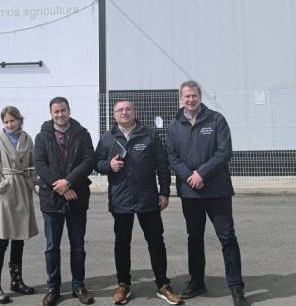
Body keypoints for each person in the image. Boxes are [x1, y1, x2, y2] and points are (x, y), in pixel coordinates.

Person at [167, 80, 249, 306]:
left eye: (194, 95)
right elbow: (172, 156)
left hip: (217, 191)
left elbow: (224, 152)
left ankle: (236, 288)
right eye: (186, 96)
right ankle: (196, 282)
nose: (190, 99)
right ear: (181, 98)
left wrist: (202, 174)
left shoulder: (216, 120)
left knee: (227, 238)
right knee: (194, 238)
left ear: (200, 97)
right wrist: (189, 176)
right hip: (190, 192)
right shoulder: (174, 125)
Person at [95, 100, 182, 305]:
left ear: (134, 112)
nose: (124, 112)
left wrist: (164, 192)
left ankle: (163, 284)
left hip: (147, 199)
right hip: (120, 199)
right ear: (114, 115)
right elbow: (96, 163)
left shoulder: (149, 135)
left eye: (128, 109)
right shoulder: (107, 138)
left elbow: (162, 164)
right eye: (120, 110)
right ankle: (123, 285)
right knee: (122, 243)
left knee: (156, 242)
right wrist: (109, 165)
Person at [34, 97, 96, 306]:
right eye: (56, 111)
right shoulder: (42, 136)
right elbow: (40, 164)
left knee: (78, 245)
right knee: (52, 247)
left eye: (63, 110)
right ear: (51, 114)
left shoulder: (82, 133)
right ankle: (53, 288)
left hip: (77, 197)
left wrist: (69, 182)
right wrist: (61, 187)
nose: (60, 114)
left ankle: (78, 286)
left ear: (69, 111)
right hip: (51, 200)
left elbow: (89, 160)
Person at [0, 106, 39, 304]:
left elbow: (32, 163)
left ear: (19, 120)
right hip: (5, 193)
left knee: (19, 238)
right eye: (6, 121)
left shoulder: (27, 139)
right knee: (2, 238)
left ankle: (16, 281)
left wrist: (33, 183)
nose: (9, 124)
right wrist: (2, 185)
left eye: (12, 120)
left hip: (22, 190)